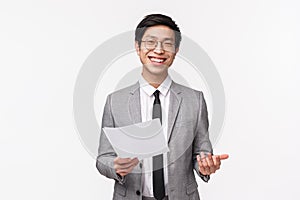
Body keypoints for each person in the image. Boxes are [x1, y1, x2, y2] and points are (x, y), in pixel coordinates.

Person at [96, 14, 229, 200]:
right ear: (138, 47)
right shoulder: (115, 101)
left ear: (175, 50)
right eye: (150, 42)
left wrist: (205, 165)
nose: (158, 50)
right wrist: (115, 166)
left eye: (167, 43)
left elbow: (201, 153)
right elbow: (103, 158)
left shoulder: (195, 100)